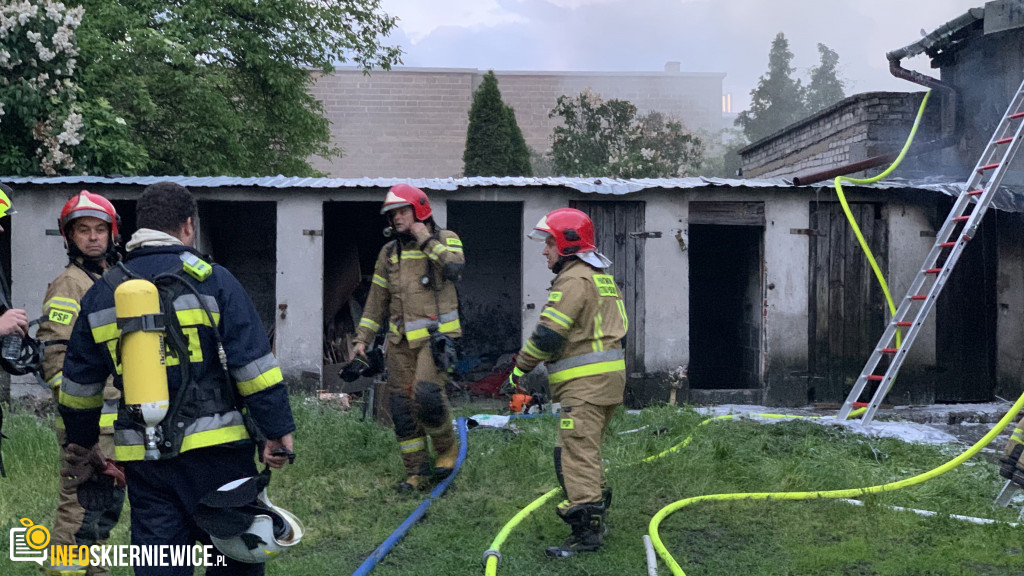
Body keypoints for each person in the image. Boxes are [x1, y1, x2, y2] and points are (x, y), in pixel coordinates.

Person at [59, 181, 295, 576]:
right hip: (220, 455)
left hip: (148, 459)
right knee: (233, 557)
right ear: (188, 226)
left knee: (162, 563)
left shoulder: (104, 292)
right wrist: (277, 429)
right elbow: (254, 366)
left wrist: (83, 446)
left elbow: (78, 388)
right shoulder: (215, 280)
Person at [503, 207, 628, 558]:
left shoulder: (573, 279)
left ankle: (587, 533)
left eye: (549, 243)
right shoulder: (601, 276)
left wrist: (520, 368)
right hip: (606, 384)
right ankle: (596, 513)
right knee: (584, 451)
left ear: (567, 244)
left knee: (575, 454)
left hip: (584, 387)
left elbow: (548, 335)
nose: (545, 250)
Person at [352, 183, 464, 491]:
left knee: (426, 394)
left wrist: (425, 238)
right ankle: (417, 472)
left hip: (435, 339)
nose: (396, 218)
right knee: (401, 406)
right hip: (399, 342)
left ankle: (446, 450)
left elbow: (454, 267)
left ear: (420, 209)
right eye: (392, 214)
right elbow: (376, 299)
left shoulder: (445, 239)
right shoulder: (388, 253)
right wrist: (361, 339)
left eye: (402, 211)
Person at [38, 191, 124, 576]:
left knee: (103, 507)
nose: (93, 238)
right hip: (86, 423)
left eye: (100, 230)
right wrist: (77, 422)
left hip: (116, 418)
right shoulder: (69, 284)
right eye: (83, 230)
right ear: (69, 237)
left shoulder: (111, 279)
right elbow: (56, 355)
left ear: (112, 233)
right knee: (78, 506)